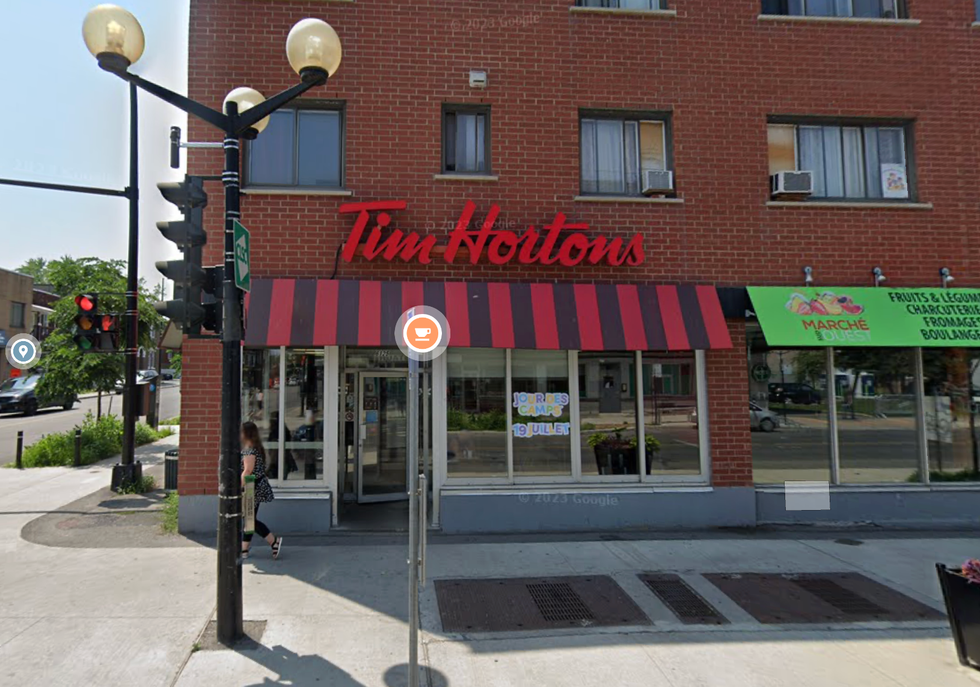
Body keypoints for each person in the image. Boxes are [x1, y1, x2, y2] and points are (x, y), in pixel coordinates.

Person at [240, 421, 283, 560]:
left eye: (241, 432)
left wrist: (239, 487)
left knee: (250, 520)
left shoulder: (249, 450)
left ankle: (273, 541)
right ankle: (244, 550)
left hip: (251, 487)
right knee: (249, 519)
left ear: (246, 434)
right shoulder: (256, 447)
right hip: (255, 486)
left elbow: (247, 471)